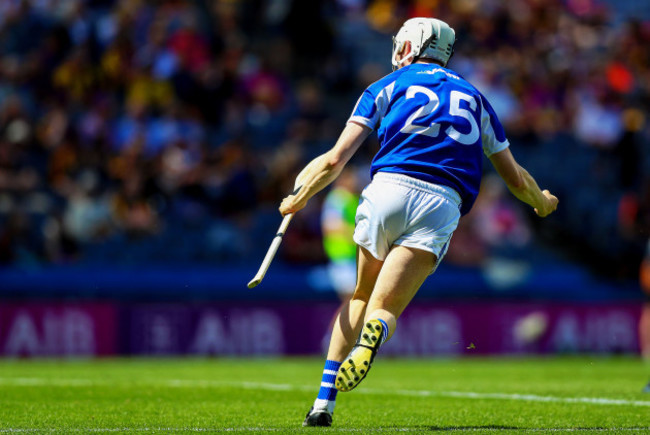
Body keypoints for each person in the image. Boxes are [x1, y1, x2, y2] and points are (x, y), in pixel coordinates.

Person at [278, 17, 558, 427]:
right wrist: (542, 201)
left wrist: (299, 195)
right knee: (384, 309)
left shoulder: (384, 87)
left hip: (387, 190)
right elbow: (515, 178)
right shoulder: (477, 97)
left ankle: (323, 403)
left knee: (359, 296)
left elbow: (336, 159)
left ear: (409, 46)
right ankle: (374, 334)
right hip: (441, 203)